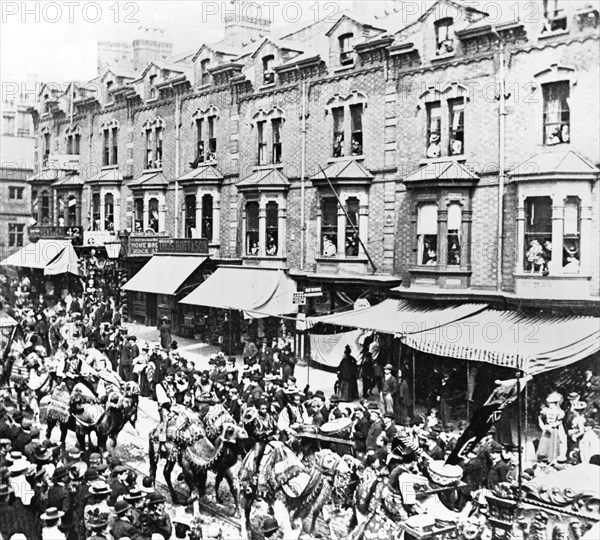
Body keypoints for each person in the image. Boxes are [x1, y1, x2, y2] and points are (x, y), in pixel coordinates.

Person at [537, 392, 568, 463]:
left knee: (553, 444)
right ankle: (544, 458)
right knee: (545, 443)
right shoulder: (547, 410)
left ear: (556, 403)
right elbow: (541, 418)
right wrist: (543, 426)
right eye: (549, 403)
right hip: (547, 428)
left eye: (552, 403)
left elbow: (559, 422)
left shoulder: (559, 412)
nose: (550, 405)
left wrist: (552, 425)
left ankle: (552, 459)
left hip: (554, 429)